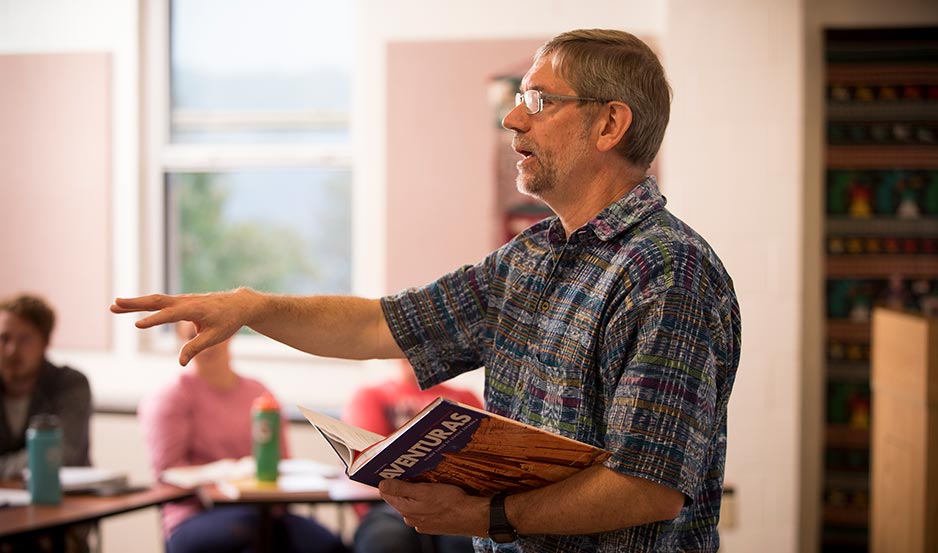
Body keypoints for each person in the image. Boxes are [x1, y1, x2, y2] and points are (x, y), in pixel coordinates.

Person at [112, 28, 742, 553]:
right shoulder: (530, 259)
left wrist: (485, 516)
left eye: (540, 100)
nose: (512, 116)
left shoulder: (669, 274)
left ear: (610, 124)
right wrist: (253, 307)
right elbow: (379, 325)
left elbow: (647, 485)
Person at [137, 321, 347, 553]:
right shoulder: (169, 398)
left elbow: (282, 461)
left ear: (229, 333)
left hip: (265, 511)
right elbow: (168, 474)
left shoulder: (258, 393)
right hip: (196, 516)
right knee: (257, 537)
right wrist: (225, 474)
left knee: (329, 545)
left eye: (210, 333)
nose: (203, 343)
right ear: (180, 341)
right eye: (191, 335)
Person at [344, 360, 482, 553]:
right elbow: (363, 466)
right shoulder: (371, 397)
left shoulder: (465, 397)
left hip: (459, 504)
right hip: (390, 507)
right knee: (386, 541)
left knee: (466, 542)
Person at [0, 293, 93, 553]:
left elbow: (62, 454)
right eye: (4, 338)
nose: (12, 350)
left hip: (62, 513)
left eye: (25, 339)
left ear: (45, 342)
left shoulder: (70, 384)